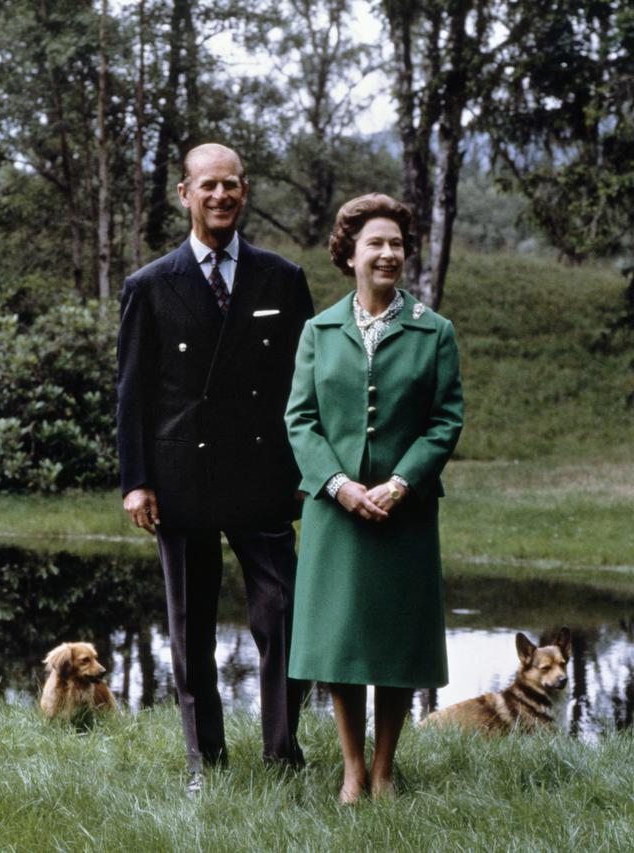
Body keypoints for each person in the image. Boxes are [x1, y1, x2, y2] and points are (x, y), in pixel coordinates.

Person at [117, 143, 313, 793]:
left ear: (245, 191)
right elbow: (133, 391)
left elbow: (302, 384)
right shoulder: (150, 285)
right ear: (184, 193)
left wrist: (308, 470)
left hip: (263, 475)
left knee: (284, 612)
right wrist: (137, 479)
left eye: (231, 185)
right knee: (190, 628)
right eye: (208, 186)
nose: (220, 196)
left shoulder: (282, 278)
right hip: (182, 479)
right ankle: (206, 760)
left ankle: (283, 753)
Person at [285, 193, 464, 802]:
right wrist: (338, 485)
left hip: (403, 511)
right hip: (335, 511)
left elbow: (445, 420)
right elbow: (300, 420)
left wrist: (399, 483)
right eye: (375, 245)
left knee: (394, 643)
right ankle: (352, 769)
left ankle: (386, 771)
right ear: (350, 255)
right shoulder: (318, 330)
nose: (388, 254)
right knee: (341, 642)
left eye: (396, 244)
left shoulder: (435, 332)